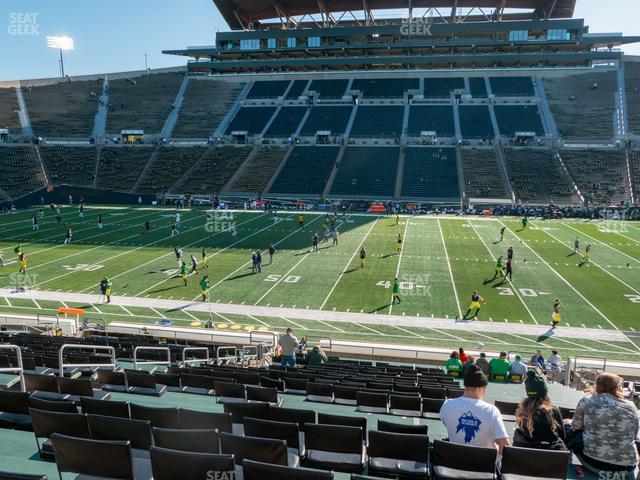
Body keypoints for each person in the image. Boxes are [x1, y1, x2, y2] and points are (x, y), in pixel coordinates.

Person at [570, 373, 639, 476]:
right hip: (626, 467)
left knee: (567, 428)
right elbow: (634, 433)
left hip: (593, 463)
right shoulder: (631, 406)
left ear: (597, 385)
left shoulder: (586, 401)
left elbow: (575, 427)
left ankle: (567, 467)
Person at [439, 364, 510, 452]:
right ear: (480, 388)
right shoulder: (492, 411)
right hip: (484, 464)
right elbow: (505, 446)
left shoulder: (447, 405)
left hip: (453, 461)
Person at [513, 369, 566, 450]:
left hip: (525, 457)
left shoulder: (522, 411)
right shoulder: (553, 410)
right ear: (545, 393)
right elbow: (563, 436)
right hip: (552, 457)